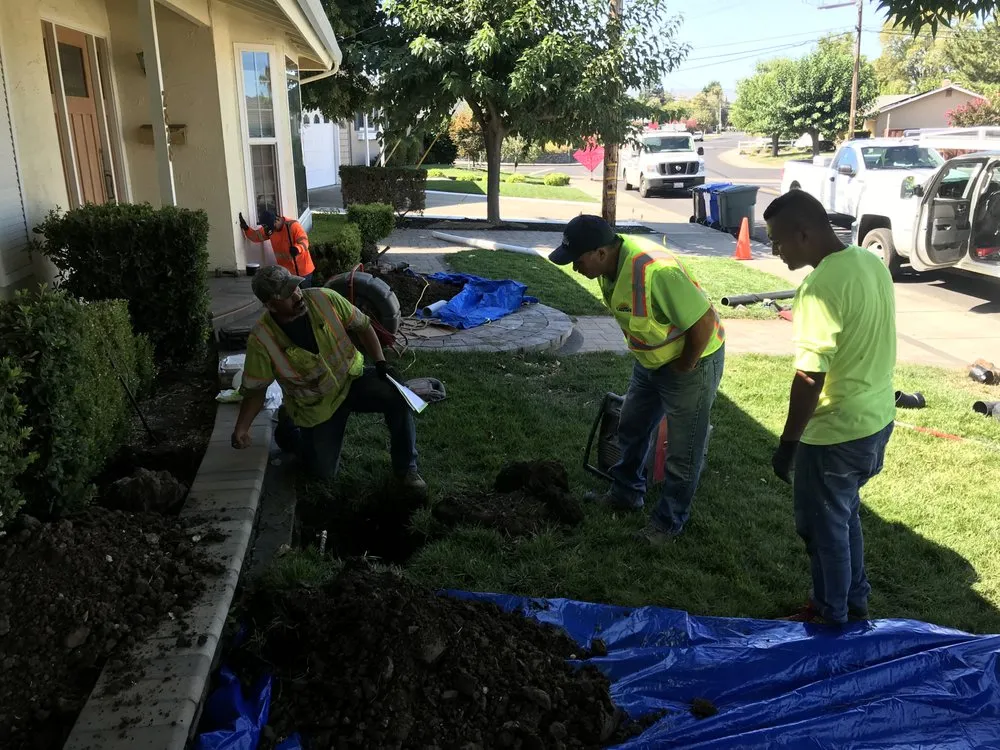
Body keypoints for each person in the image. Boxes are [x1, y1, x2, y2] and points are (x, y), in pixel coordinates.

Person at [549, 215, 725, 545]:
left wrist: (684, 366)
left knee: (683, 451)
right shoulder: (609, 267)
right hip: (652, 363)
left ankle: (668, 523)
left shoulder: (656, 271)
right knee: (631, 424)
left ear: (601, 252)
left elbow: (703, 323)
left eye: (578, 260)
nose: (575, 268)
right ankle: (626, 493)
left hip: (693, 362)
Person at [765, 189, 896, 625]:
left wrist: (788, 442)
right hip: (876, 422)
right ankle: (854, 601)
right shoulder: (868, 262)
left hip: (836, 433)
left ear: (804, 234)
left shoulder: (818, 289)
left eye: (778, 240)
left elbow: (809, 376)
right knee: (843, 516)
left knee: (823, 530)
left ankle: (829, 613)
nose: (774, 250)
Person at [231, 265, 425, 493]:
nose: (296, 295)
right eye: (286, 294)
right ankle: (289, 431)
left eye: (295, 287)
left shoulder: (325, 299)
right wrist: (241, 429)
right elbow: (256, 390)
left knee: (398, 396)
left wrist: (380, 362)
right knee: (321, 473)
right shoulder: (262, 339)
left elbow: (363, 325)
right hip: (317, 406)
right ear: (270, 305)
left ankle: (407, 470)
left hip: (352, 379)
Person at [239, 209, 315, 284]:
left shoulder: (293, 225)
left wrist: (297, 249)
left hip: (303, 271)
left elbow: (304, 242)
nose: (271, 231)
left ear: (276, 220)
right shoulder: (270, 229)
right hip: (286, 273)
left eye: (272, 227)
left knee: (304, 295)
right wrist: (246, 228)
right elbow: (257, 236)